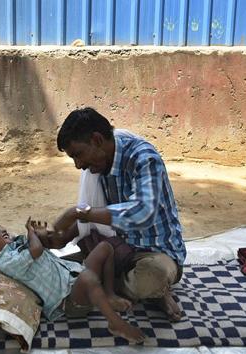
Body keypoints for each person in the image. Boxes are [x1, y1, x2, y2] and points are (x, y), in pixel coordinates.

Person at [49, 107, 187, 321]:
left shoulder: (143, 158)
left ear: (96, 140)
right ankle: (142, 292)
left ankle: (148, 289)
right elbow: (99, 216)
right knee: (54, 269)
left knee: (152, 276)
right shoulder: (98, 166)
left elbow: (143, 212)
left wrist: (79, 213)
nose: (78, 165)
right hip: (117, 251)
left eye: (78, 154)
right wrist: (60, 238)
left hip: (155, 253)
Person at [0, 219, 145, 343]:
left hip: (73, 276)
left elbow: (40, 247)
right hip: (69, 301)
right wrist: (31, 233)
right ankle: (116, 324)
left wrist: (40, 234)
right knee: (88, 278)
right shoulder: (6, 262)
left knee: (105, 248)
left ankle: (109, 294)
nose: (2, 229)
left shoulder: (13, 247)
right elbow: (36, 250)